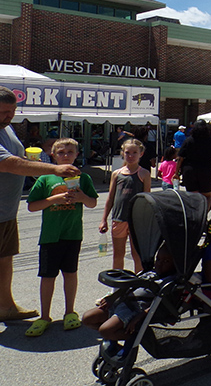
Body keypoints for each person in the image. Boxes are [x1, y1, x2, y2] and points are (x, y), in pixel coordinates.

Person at [0, 86, 81, 322]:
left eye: (13, 111)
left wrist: (35, 163)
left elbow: (18, 159)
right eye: (4, 111)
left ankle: (5, 306)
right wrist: (54, 168)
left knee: (5, 259)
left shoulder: (6, 127)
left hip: (6, 211)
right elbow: (10, 164)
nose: (9, 116)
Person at [25, 138, 99, 336]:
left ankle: (69, 312)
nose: (65, 155)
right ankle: (44, 316)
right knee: (48, 276)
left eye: (70, 152)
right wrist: (54, 199)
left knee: (70, 273)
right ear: (53, 155)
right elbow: (32, 206)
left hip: (73, 234)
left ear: (77, 154)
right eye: (61, 152)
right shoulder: (45, 178)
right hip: (50, 235)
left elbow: (92, 202)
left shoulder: (84, 178)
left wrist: (82, 197)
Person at [82, 245, 176, 346]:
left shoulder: (169, 281)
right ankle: (117, 332)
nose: (159, 264)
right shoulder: (150, 272)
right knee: (87, 318)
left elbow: (161, 304)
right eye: (158, 259)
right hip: (122, 301)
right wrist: (113, 297)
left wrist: (140, 316)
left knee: (105, 330)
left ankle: (136, 336)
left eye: (166, 262)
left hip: (133, 310)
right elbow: (131, 285)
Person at [100, 139, 152, 273]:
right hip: (119, 218)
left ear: (141, 154)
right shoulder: (116, 174)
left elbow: (147, 199)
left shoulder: (144, 174)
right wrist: (104, 219)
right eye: (127, 152)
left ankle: (139, 284)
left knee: (137, 255)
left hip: (137, 220)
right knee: (118, 255)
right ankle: (117, 285)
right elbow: (111, 198)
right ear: (122, 153)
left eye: (134, 152)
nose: (131, 156)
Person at [175, 119, 211, 210]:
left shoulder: (189, 141)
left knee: (192, 196)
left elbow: (180, 158)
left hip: (190, 170)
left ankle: (193, 215)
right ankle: (203, 215)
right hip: (206, 170)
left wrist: (176, 173)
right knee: (206, 196)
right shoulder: (210, 141)